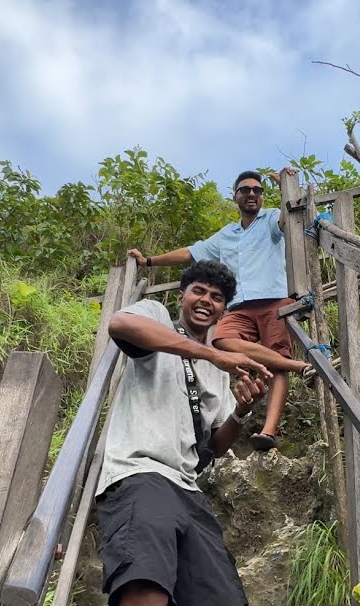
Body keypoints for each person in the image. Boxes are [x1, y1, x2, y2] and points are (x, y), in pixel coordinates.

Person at [86, 259, 270, 606]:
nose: (206, 301)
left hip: (189, 490)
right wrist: (212, 354)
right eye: (199, 292)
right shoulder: (155, 316)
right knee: (146, 604)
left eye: (216, 297)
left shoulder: (218, 375)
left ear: (224, 308)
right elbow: (121, 324)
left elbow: (216, 445)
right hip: (139, 475)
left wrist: (241, 412)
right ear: (182, 295)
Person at [128, 167, 307, 452]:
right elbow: (190, 253)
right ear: (235, 196)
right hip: (238, 307)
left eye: (257, 191)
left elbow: (292, 221)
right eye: (245, 190)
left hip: (273, 300)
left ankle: (269, 431)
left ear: (263, 197)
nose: (252, 194)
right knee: (221, 339)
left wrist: (287, 187)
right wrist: (148, 261)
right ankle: (299, 366)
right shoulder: (226, 235)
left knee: (276, 358)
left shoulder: (272, 218)